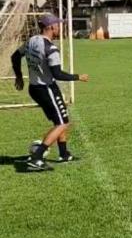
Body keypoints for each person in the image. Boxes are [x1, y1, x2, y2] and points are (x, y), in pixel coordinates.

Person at [11, 14, 90, 171]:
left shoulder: (31, 41)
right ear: (51, 27)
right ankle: (37, 157)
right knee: (63, 123)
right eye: (58, 25)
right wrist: (78, 77)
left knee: (60, 118)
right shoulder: (51, 49)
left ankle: (64, 154)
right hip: (47, 89)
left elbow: (15, 56)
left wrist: (19, 76)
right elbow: (57, 74)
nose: (60, 27)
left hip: (35, 88)